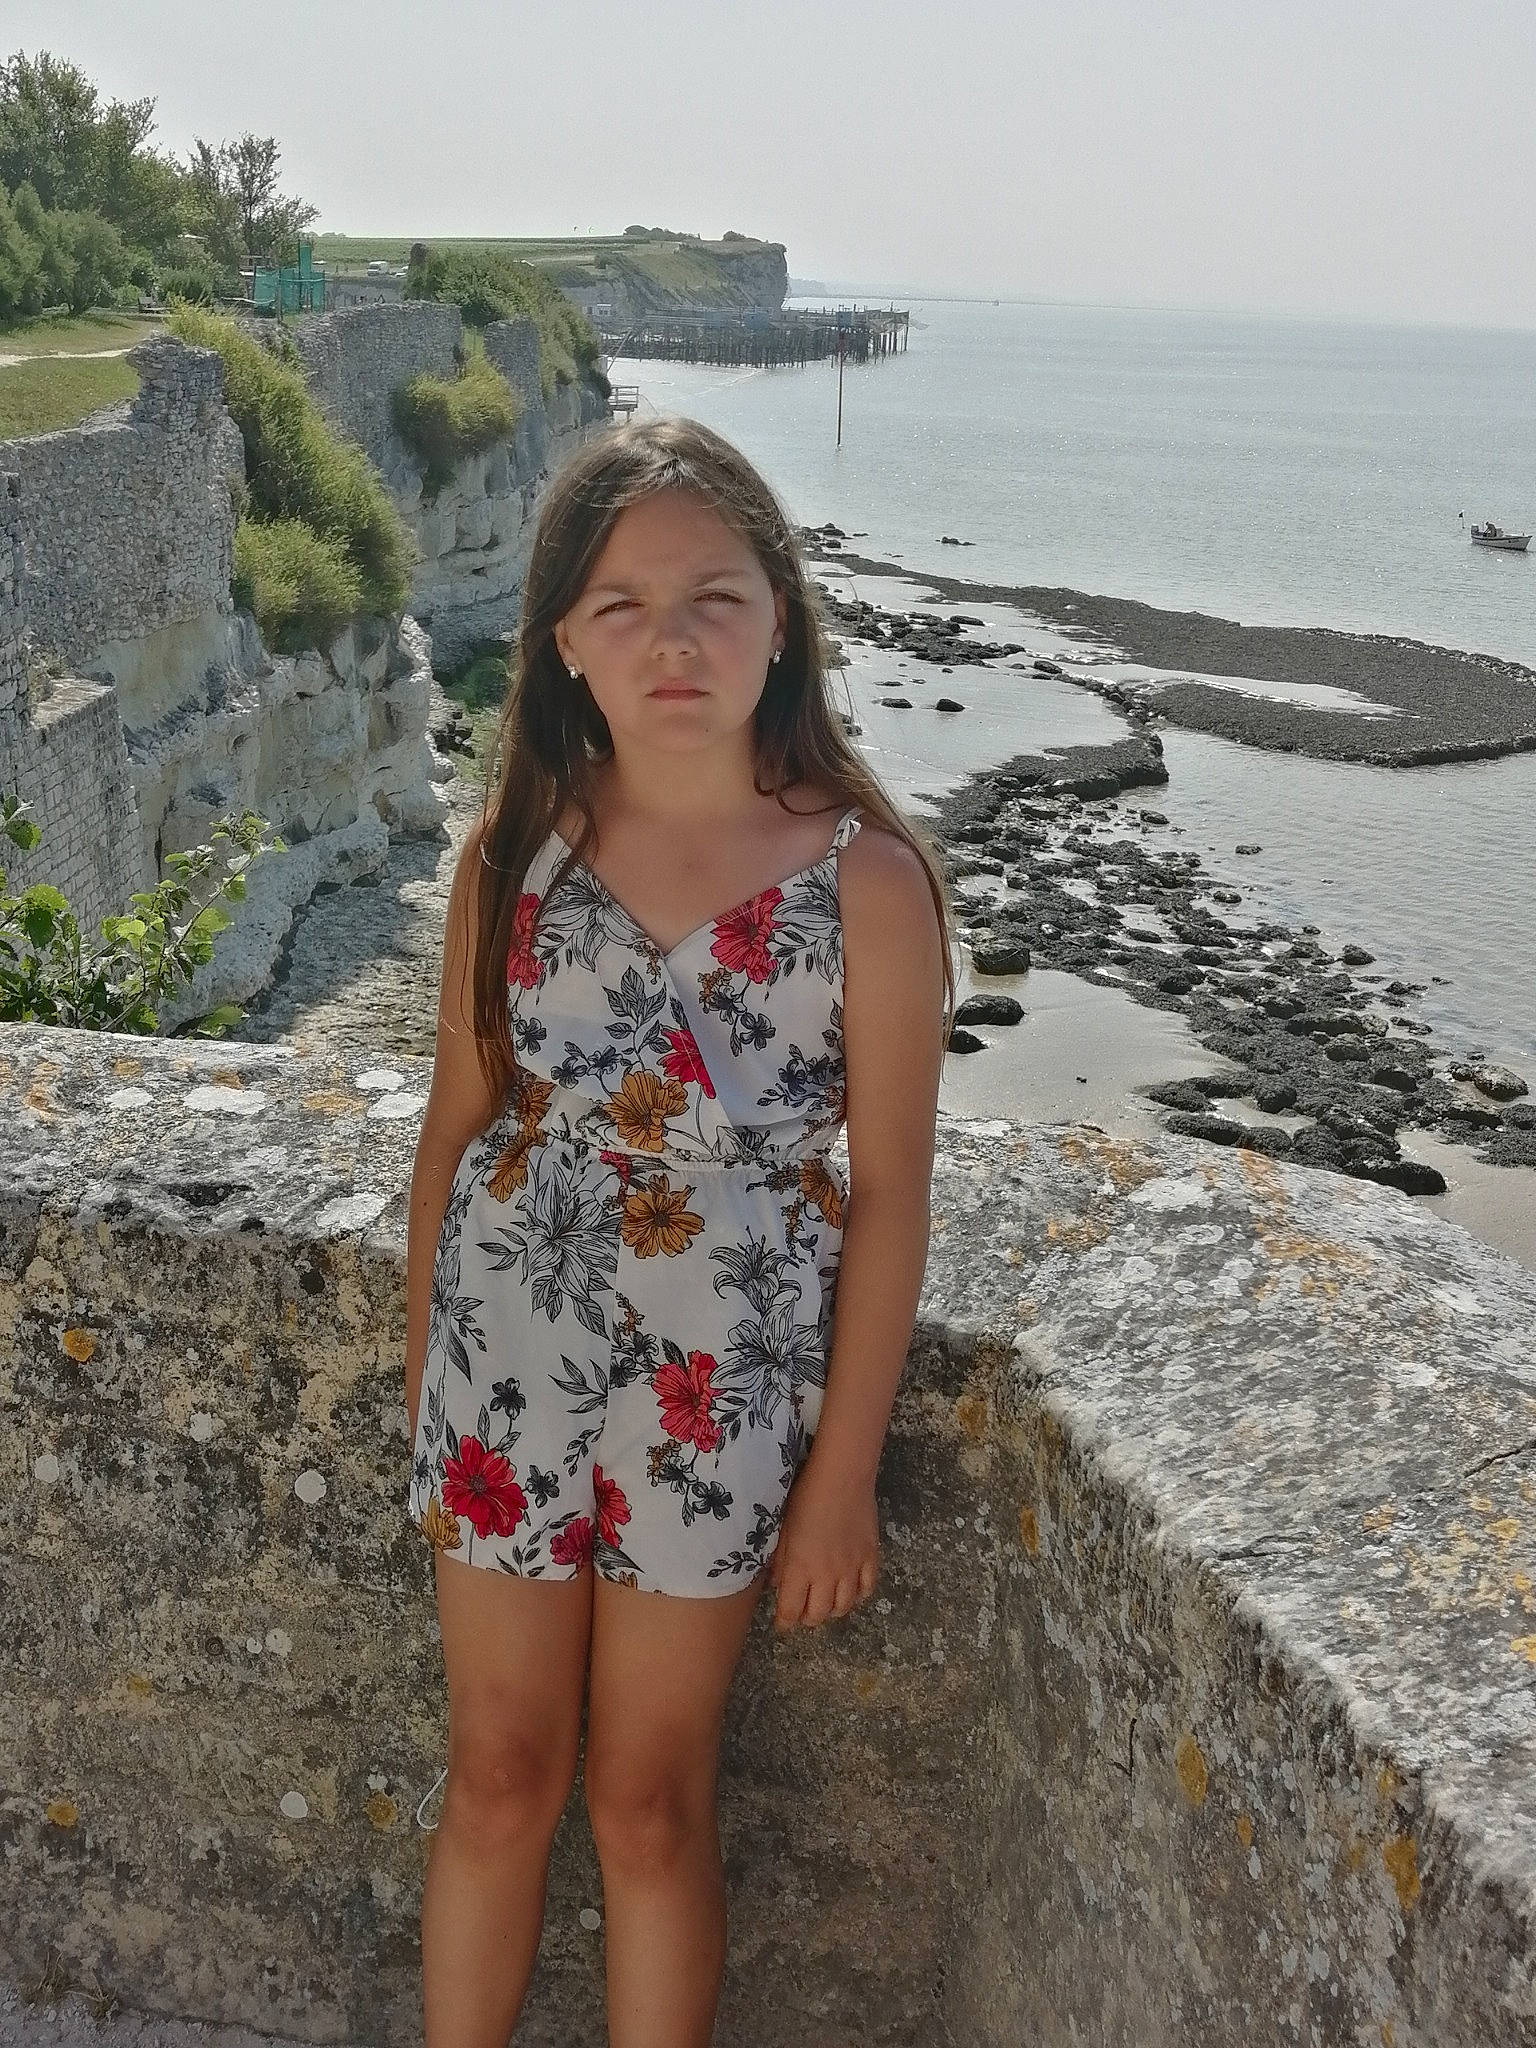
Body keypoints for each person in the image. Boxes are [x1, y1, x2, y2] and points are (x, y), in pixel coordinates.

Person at [402, 413, 955, 2046]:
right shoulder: (513, 853)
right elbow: (456, 1132)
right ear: (565, 643)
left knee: (647, 1801)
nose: (674, 640)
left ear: (781, 616)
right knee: (499, 1775)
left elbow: (894, 1198)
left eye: (715, 595)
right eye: (625, 606)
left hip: (722, 1394)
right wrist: (426, 1385)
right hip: (504, 1367)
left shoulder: (865, 884)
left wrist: (842, 1473)